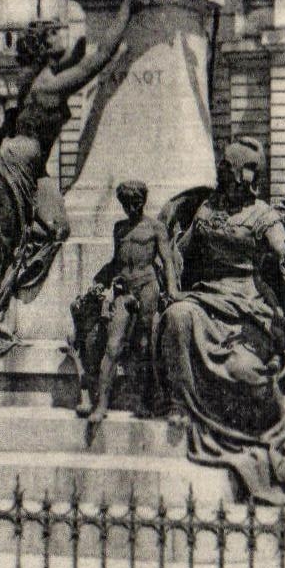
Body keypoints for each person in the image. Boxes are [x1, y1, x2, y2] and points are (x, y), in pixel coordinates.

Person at [0, 0, 138, 355]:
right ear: (45, 45)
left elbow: (81, 52)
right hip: (12, 166)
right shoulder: (49, 85)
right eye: (57, 30)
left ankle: (5, 295)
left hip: (33, 167)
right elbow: (99, 57)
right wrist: (128, 4)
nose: (66, 32)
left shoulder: (43, 75)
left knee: (57, 228)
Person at [155, 138, 285, 504]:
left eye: (235, 173)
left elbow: (283, 252)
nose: (231, 179)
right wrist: (167, 261)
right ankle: (182, 403)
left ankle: (263, 427)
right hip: (206, 296)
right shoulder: (206, 209)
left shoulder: (262, 214)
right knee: (178, 317)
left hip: (247, 302)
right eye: (228, 172)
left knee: (246, 368)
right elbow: (182, 251)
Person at [70, 180, 180, 430]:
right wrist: (100, 279)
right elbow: (116, 261)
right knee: (112, 346)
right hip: (125, 289)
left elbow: (167, 261)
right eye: (127, 203)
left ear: (143, 201)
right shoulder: (119, 229)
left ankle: (144, 400)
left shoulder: (156, 228)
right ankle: (102, 404)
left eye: (136, 202)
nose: (131, 207)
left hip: (147, 288)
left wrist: (172, 289)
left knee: (144, 344)